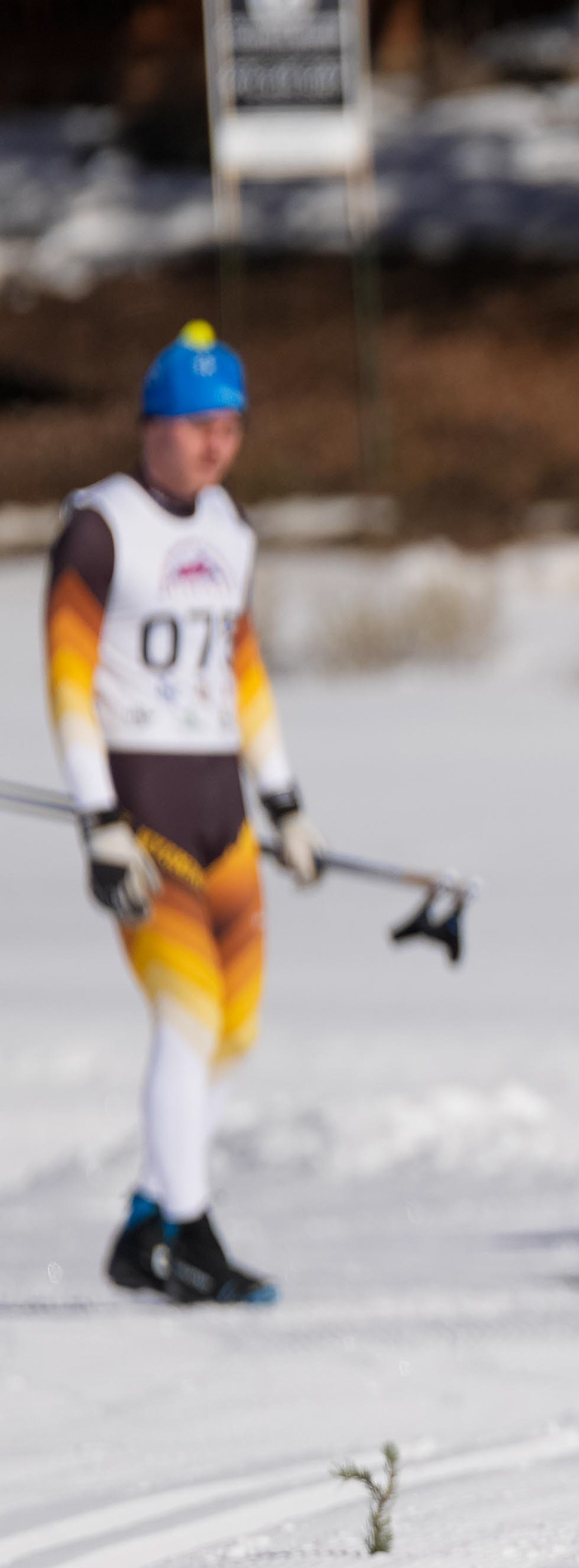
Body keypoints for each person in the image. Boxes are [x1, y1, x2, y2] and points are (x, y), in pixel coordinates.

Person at [51, 323, 319, 1305]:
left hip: (222, 809)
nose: (216, 445)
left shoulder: (228, 531)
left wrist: (284, 799)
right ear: (153, 426)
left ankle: (148, 1222)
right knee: (187, 1014)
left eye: (231, 427)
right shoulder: (102, 526)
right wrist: (98, 819)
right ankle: (194, 1236)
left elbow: (244, 671)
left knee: (234, 1027)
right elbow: (69, 683)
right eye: (199, 425)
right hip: (143, 810)